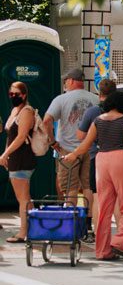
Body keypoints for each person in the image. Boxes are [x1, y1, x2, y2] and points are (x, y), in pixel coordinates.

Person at [64, 92, 123, 260]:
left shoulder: (97, 120)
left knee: (104, 207)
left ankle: (102, 251)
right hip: (121, 158)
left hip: (101, 160)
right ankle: (118, 242)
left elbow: (85, 144)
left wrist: (73, 155)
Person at [43, 68, 99, 211]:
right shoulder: (95, 98)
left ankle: (72, 220)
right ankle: (88, 220)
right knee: (88, 187)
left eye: (65, 81)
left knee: (70, 187)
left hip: (67, 150)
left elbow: (46, 121)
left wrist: (52, 141)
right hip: (90, 149)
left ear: (71, 81)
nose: (65, 84)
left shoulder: (61, 99)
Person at [77, 78, 117, 238]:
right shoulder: (122, 111)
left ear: (99, 92)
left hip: (96, 156)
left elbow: (80, 135)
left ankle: (97, 230)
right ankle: (121, 232)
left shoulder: (92, 111)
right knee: (116, 195)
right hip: (118, 156)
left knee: (96, 194)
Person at [1, 82, 37, 243]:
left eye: (17, 94)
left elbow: (21, 136)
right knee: (25, 197)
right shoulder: (15, 110)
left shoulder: (26, 111)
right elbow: (10, 136)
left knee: (22, 198)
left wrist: (5, 154)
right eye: (11, 94)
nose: (14, 97)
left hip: (22, 158)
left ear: (24, 94)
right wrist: (7, 154)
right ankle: (35, 228)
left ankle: (23, 232)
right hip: (15, 158)